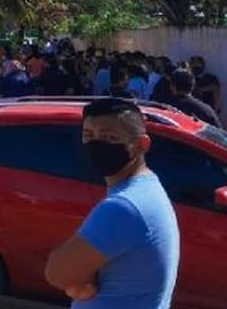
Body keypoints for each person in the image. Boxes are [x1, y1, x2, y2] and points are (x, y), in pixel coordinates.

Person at [45, 99, 179, 308]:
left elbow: (57, 272)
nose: (97, 145)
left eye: (110, 137)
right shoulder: (149, 188)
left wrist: (78, 280)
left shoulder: (123, 207)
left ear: (142, 145)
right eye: (89, 136)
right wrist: (81, 278)